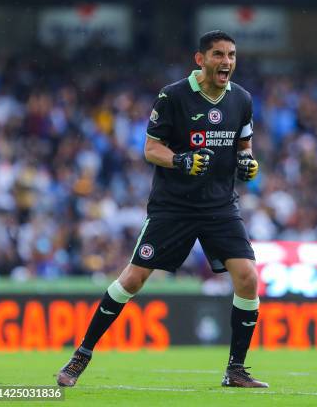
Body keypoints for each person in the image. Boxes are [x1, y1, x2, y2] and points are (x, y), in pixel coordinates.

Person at [56, 30, 267, 388]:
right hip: (174, 207)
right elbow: (151, 149)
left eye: (231, 55)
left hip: (219, 205)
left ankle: (236, 370)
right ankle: (81, 355)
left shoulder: (242, 99)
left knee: (247, 277)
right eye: (218, 55)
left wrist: (247, 162)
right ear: (200, 59)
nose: (227, 62)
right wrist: (181, 161)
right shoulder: (173, 96)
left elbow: (243, 144)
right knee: (133, 278)